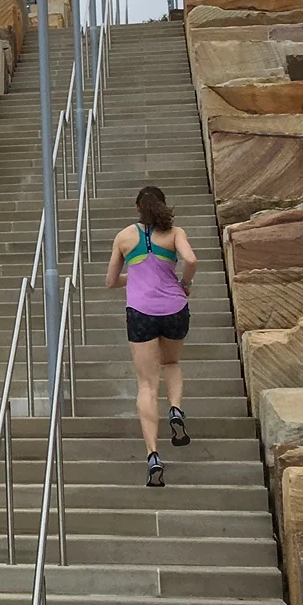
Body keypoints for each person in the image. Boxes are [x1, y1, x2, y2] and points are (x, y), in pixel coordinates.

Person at [104, 185, 196, 487]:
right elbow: (191, 260)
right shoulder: (175, 233)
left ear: (137, 208)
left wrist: (136, 274)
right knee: (171, 363)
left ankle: (153, 455)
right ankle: (175, 409)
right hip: (174, 309)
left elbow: (110, 281)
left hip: (140, 313)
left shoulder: (124, 237)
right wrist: (184, 283)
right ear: (163, 206)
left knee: (146, 384)